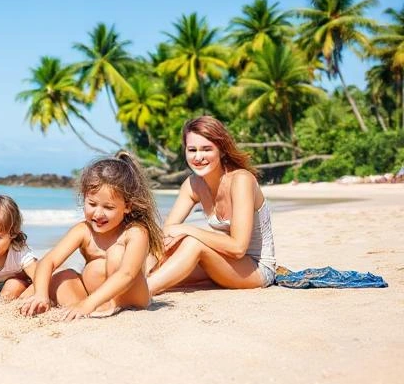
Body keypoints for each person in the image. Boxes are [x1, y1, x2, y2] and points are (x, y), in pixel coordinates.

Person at [20, 154, 164, 320]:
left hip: (131, 300)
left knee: (116, 254)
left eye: (108, 207)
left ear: (127, 207)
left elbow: (127, 274)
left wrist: (88, 304)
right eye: (92, 204)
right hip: (94, 300)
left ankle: (100, 306)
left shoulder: (135, 232)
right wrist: (40, 294)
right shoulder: (83, 230)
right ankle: (46, 302)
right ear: (84, 198)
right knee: (62, 276)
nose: (98, 213)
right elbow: (48, 261)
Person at [147, 116, 276, 295]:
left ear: (222, 151)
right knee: (155, 252)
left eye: (206, 149)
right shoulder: (193, 185)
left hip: (256, 267)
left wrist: (188, 230)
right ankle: (128, 284)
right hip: (222, 262)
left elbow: (238, 248)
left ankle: (145, 291)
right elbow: (168, 231)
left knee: (192, 243)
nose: (198, 157)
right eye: (192, 150)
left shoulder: (241, 180)